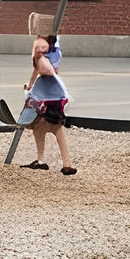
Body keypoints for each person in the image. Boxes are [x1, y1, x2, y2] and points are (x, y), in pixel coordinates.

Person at [22, 34, 76, 175]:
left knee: (47, 127)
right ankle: (60, 162)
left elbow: (41, 69)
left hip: (48, 94)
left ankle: (53, 161)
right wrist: (31, 84)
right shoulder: (52, 53)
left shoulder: (48, 54)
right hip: (52, 93)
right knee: (49, 127)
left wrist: (32, 84)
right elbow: (39, 69)